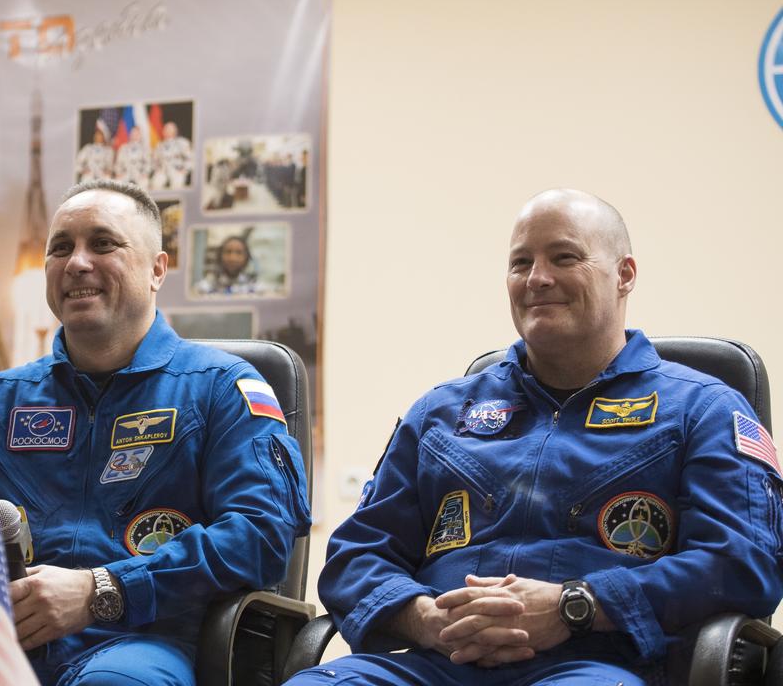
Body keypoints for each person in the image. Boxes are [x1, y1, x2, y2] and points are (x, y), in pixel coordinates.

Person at [287, 189, 783, 686]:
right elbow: (356, 555)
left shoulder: (702, 409)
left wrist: (578, 604)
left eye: (564, 257)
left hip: (598, 666)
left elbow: (742, 562)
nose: (537, 279)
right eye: (520, 263)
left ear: (624, 275)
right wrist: (425, 618)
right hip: (436, 664)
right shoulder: (441, 413)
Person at [0, 179, 311, 685]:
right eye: (60, 248)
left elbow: (259, 535)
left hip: (142, 640)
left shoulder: (221, 387)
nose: (76, 263)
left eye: (102, 243)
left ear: (157, 269)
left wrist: (103, 590)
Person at [150, 121, 193, 190]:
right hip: (163, 171)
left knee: (177, 183)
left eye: (170, 129)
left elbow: (190, 158)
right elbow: (154, 161)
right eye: (166, 129)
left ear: (175, 131)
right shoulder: (159, 145)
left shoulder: (182, 143)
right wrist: (157, 169)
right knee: (155, 183)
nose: (167, 131)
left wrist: (185, 170)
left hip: (177, 170)